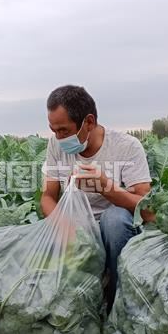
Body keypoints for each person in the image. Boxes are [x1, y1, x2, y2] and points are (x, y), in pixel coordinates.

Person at [40, 85, 154, 310]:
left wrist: (105, 188)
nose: (59, 138)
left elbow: (148, 210)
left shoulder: (126, 147)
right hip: (76, 226)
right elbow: (47, 197)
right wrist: (65, 227)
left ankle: (119, 298)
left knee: (114, 220)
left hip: (113, 231)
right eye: (54, 131)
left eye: (64, 131)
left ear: (89, 122)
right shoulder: (55, 145)